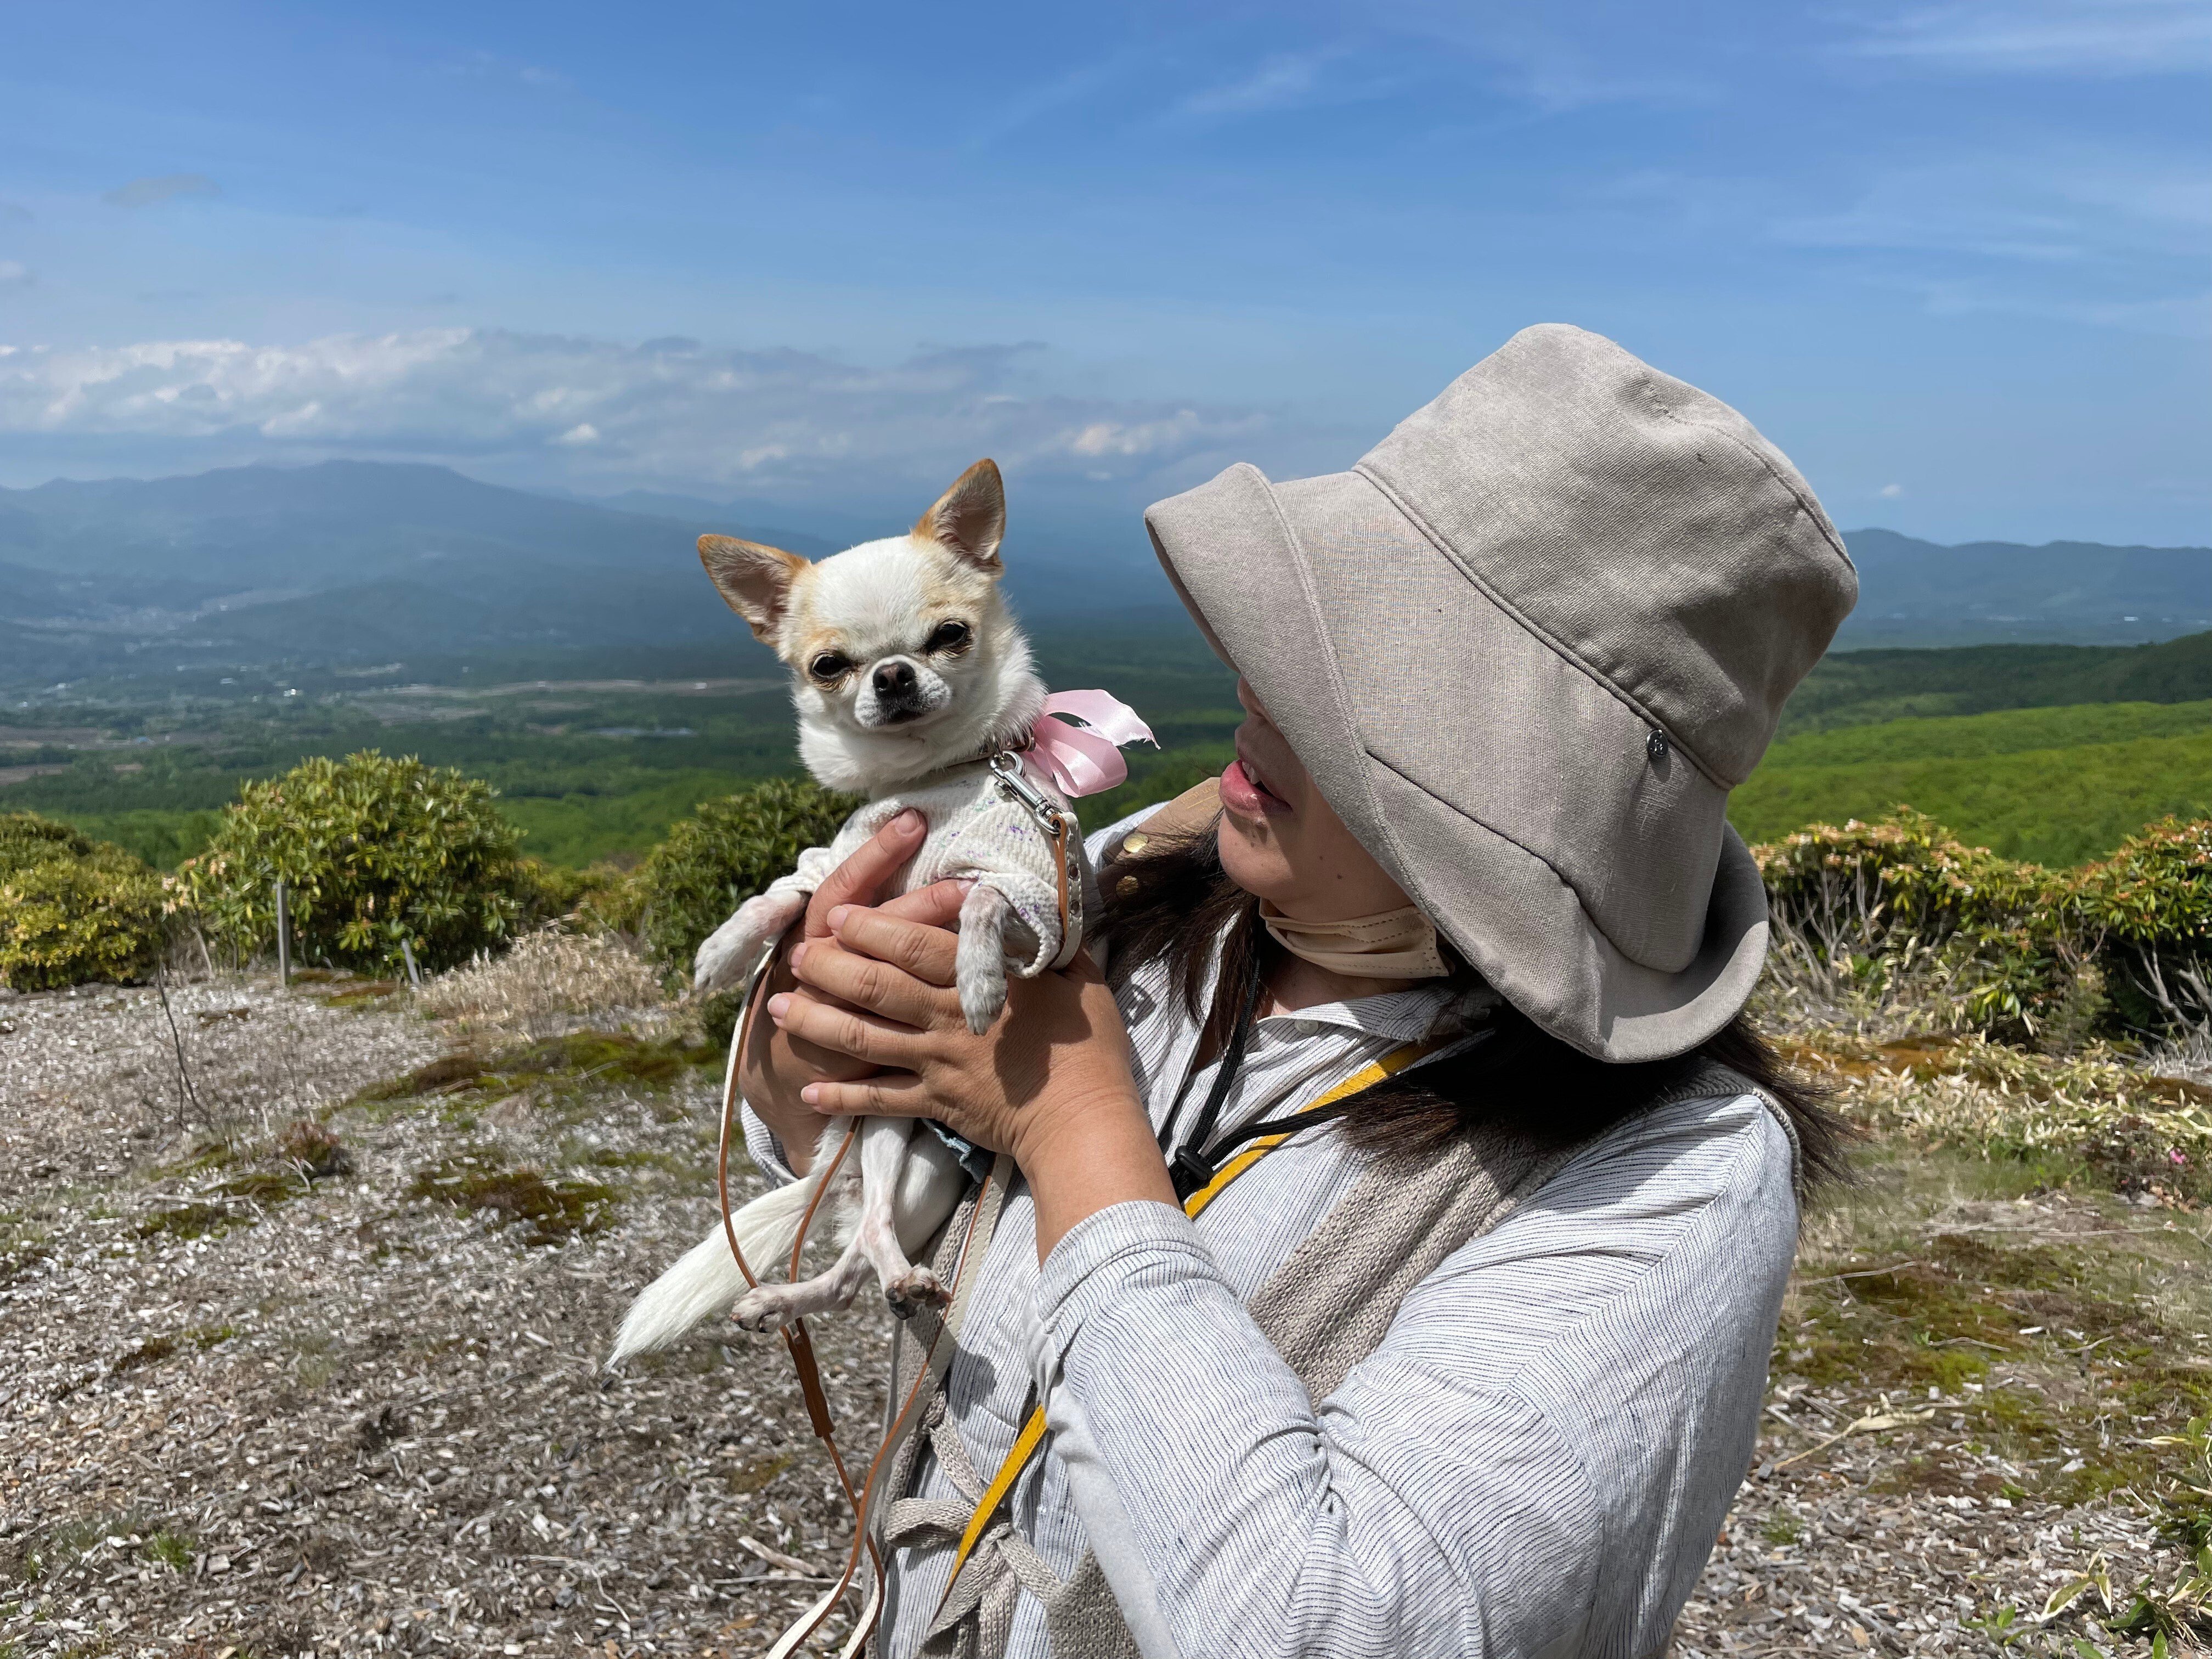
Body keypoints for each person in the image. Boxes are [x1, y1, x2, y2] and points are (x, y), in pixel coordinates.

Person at [736, 324, 1858, 1657]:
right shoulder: (1133, 878)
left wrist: (1076, 1125)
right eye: (1286, 636)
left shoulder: (1674, 1178)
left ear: (1511, 792)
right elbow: (836, 1131)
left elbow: (1323, 1627)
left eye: (1341, 682)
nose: (1250, 691)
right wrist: (804, 1068)